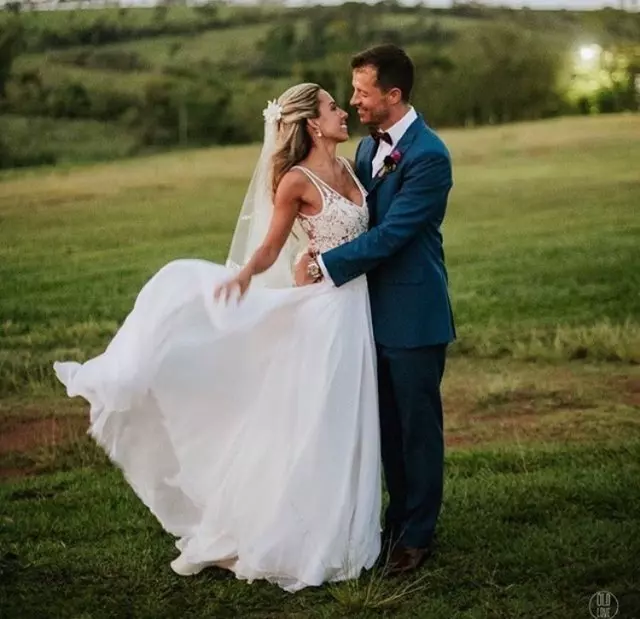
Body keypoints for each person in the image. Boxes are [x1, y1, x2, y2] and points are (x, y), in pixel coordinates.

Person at [53, 82, 382, 593]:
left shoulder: (351, 167)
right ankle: (294, 535)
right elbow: (273, 245)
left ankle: (342, 529)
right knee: (318, 420)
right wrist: (246, 275)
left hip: (353, 306)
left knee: (350, 418)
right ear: (313, 124)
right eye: (334, 107)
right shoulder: (295, 180)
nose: (344, 112)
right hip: (324, 316)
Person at [296, 44, 455, 575]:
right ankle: (394, 522)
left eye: (363, 92)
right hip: (366, 313)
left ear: (394, 94)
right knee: (384, 427)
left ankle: (417, 537)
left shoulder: (430, 156)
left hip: (414, 314)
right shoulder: (366, 151)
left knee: (416, 428)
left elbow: (392, 235)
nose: (354, 101)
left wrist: (327, 265)